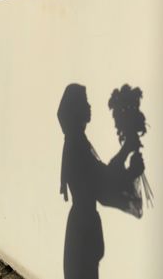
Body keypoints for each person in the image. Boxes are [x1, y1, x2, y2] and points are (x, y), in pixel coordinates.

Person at [58, 84, 144, 279]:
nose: (89, 106)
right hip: (83, 231)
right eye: (85, 102)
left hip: (82, 227)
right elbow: (101, 182)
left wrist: (126, 151)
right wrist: (130, 169)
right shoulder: (77, 144)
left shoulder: (76, 141)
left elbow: (100, 177)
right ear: (76, 109)